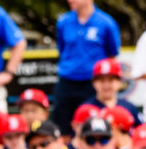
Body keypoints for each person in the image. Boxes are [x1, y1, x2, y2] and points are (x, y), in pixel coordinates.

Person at [51, 0, 120, 138]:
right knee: (62, 128)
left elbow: (112, 54)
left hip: (92, 84)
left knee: (93, 127)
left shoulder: (106, 22)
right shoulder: (63, 22)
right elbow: (62, 48)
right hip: (67, 81)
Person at [83, 58, 145, 130]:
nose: (106, 85)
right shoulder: (85, 108)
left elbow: (141, 131)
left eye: (111, 80)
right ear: (93, 82)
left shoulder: (129, 107)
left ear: (120, 82)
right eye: (101, 80)